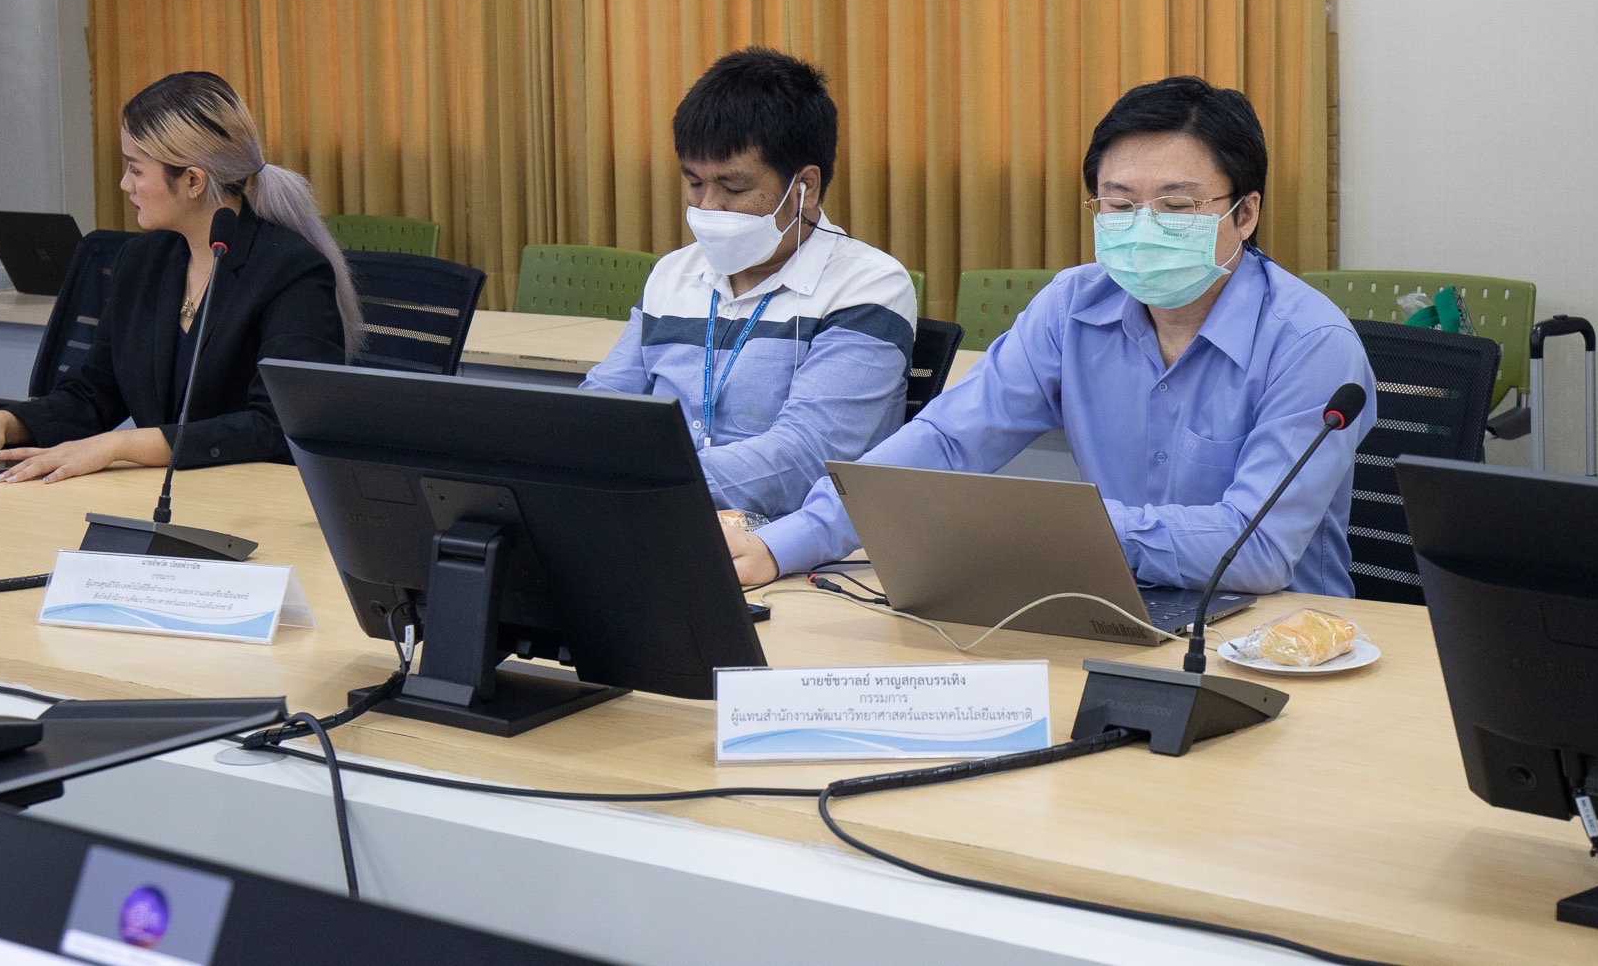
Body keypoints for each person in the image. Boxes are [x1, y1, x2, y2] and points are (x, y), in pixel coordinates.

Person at [726, 75, 1376, 596]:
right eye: (1119, 204)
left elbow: (1256, 549)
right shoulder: (1073, 308)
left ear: (1246, 211)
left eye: (1177, 207)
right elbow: (947, 442)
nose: (1143, 226)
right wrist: (788, 542)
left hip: (1283, 639)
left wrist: (1060, 530)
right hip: (1110, 605)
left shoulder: (1311, 343)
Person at [0, 71, 360, 482]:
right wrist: (7, 422)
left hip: (253, 500)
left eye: (136, 169)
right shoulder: (143, 261)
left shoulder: (292, 271)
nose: (124, 184)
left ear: (193, 181)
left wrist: (121, 445)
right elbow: (95, 394)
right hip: (156, 495)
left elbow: (276, 426)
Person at [582, 48, 918, 521]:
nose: (708, 207)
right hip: (657, 516)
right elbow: (600, 408)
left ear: (805, 188)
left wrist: (649, 484)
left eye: (733, 188)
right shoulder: (673, 274)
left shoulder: (868, 287)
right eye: (695, 183)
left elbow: (805, 458)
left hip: (786, 542)